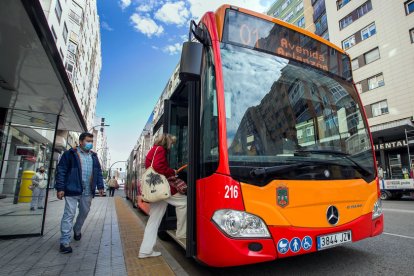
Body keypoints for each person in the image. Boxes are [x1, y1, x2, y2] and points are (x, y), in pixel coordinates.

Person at [139, 133, 187, 258]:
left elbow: (153, 167)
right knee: (184, 202)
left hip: (155, 189)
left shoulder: (153, 150)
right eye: (172, 143)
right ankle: (181, 233)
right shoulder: (160, 150)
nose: (172, 146)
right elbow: (158, 167)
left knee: (154, 220)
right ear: (167, 142)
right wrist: (172, 171)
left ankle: (145, 250)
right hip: (161, 188)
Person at [55, 132, 104, 254]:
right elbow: (61, 170)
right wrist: (60, 188)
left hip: (87, 191)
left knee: (84, 213)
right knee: (69, 214)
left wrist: (101, 186)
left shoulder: (94, 156)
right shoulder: (70, 154)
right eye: (88, 141)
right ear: (81, 141)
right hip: (72, 190)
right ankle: (65, 242)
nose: (90, 144)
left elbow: (98, 172)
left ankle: (77, 230)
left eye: (91, 141)